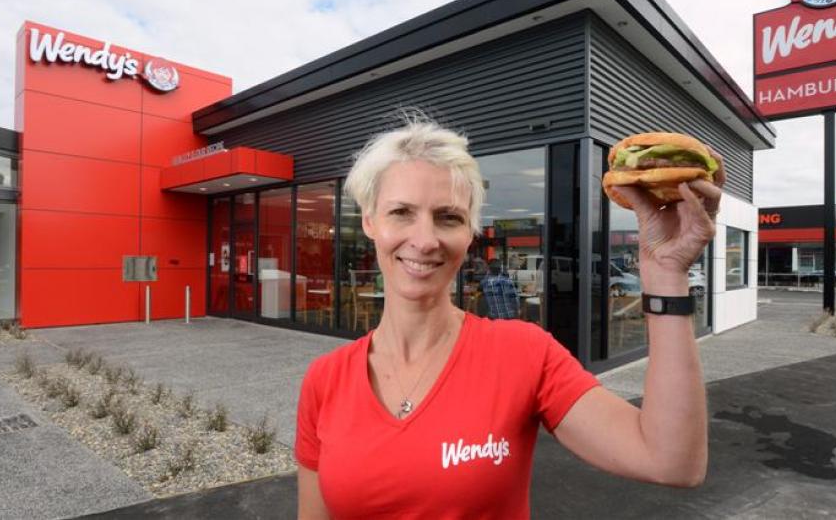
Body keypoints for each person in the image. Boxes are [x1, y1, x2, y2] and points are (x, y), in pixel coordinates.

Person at [295, 116, 722, 519]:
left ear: (469, 234)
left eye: (448, 217)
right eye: (401, 212)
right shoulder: (325, 380)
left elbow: (672, 461)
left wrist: (667, 276)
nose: (424, 240)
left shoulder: (522, 352)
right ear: (370, 221)